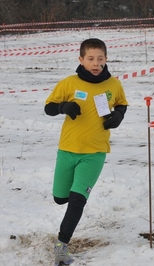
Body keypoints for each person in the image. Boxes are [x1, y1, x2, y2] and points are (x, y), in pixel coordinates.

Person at [44, 38, 128, 265]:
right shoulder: (69, 83)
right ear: (81, 60)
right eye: (90, 58)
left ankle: (61, 246)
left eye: (100, 58)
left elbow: (121, 103)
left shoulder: (113, 84)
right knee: (60, 198)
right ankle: (66, 204)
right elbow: (48, 107)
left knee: (77, 200)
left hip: (95, 152)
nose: (95, 63)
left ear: (106, 59)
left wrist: (119, 115)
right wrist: (63, 107)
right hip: (67, 149)